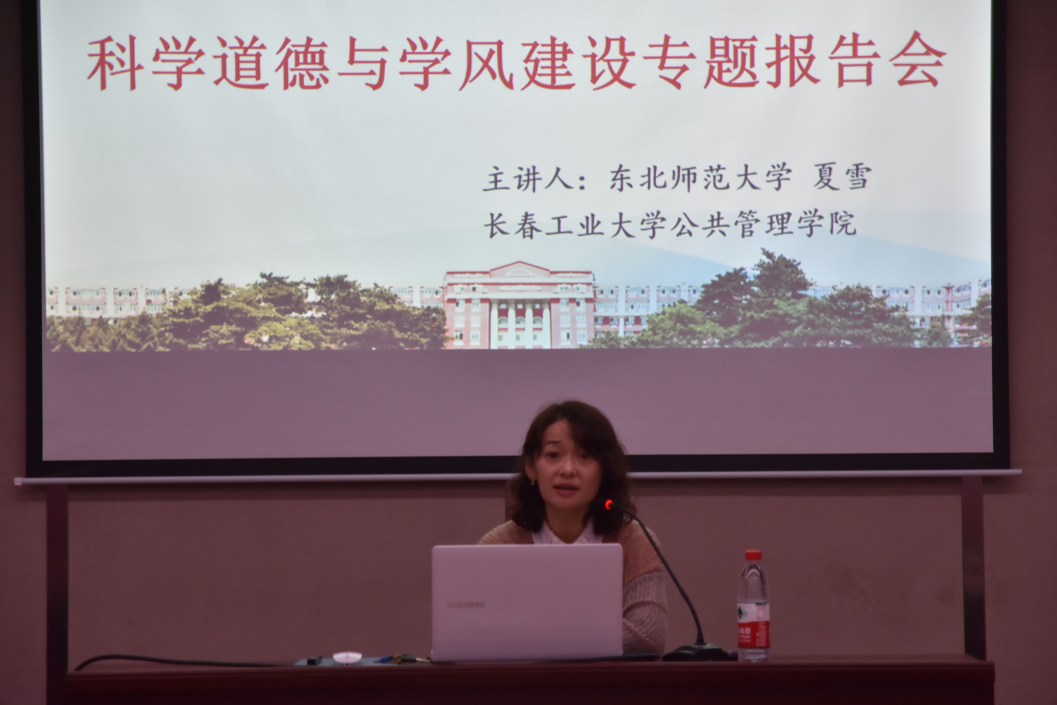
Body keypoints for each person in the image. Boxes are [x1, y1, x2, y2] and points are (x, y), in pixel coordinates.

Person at [479, 401, 667, 655]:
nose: (567, 470)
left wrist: (533, 634)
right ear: (531, 467)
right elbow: (478, 633)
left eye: (585, 456)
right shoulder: (498, 546)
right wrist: (589, 635)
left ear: (604, 469)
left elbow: (647, 636)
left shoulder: (634, 540)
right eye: (553, 455)